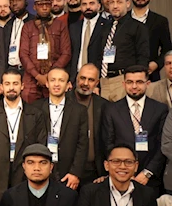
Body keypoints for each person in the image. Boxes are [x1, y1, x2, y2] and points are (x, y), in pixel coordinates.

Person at [0, 68, 48, 199]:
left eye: (15, 83)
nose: (11, 88)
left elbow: (40, 145)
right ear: (2, 86)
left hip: (24, 173)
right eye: (7, 84)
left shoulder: (35, 114)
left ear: (22, 86)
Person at [101, 65, 168, 195]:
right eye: (129, 82)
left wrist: (147, 173)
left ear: (148, 83)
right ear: (123, 84)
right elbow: (108, 144)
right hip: (120, 177)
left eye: (139, 82)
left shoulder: (160, 109)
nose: (134, 86)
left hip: (150, 179)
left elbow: (162, 145)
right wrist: (124, 172)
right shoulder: (111, 110)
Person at [33, 68, 88, 191]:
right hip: (41, 168)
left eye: (61, 80)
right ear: (47, 84)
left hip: (68, 171)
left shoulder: (79, 111)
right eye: (53, 80)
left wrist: (75, 173)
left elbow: (83, 144)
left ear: (68, 85)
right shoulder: (35, 108)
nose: (56, 84)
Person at [91, 0, 149, 101]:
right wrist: (97, 83)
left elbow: (143, 56)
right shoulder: (104, 27)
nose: (115, 6)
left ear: (128, 4)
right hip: (104, 81)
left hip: (123, 80)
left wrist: (136, 82)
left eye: (119, 2)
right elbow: (99, 55)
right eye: (112, 2)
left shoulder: (138, 27)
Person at [19, 0, 72, 104]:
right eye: (40, 5)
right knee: (29, 106)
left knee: (55, 106)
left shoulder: (60, 25)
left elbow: (66, 53)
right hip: (32, 77)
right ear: (34, 7)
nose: (44, 8)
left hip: (54, 76)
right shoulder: (28, 27)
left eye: (47, 4)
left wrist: (50, 74)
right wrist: (38, 76)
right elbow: (23, 54)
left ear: (51, 5)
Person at [73, 64, 107, 186]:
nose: (85, 83)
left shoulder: (104, 106)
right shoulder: (65, 101)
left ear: (97, 83)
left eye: (91, 80)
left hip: (95, 171)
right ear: (77, 78)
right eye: (83, 78)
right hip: (68, 170)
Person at [130, 0, 171, 82]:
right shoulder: (123, 19)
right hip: (126, 72)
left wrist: (156, 64)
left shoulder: (160, 21)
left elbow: (167, 48)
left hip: (151, 73)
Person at [68, 0, 102, 77]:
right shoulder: (74, 27)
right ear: (80, 7)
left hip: (97, 75)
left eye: (91, 3)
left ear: (99, 6)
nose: (88, 7)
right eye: (84, 4)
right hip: (76, 75)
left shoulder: (107, 25)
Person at [3, 0, 35, 73]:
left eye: (18, 0)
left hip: (29, 69)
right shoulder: (8, 24)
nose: (14, 3)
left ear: (26, 3)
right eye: (12, 1)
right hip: (11, 68)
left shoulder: (34, 21)